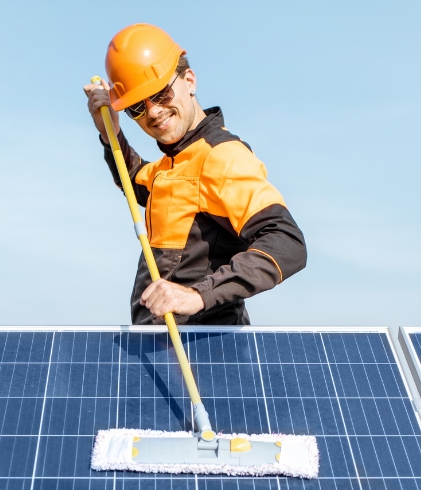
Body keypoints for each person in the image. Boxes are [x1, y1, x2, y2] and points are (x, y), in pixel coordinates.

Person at [83, 24, 307, 326]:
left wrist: (197, 296)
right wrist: (111, 133)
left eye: (160, 93)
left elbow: (286, 242)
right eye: (137, 106)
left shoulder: (222, 156)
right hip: (163, 351)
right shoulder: (174, 163)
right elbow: (136, 179)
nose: (152, 112)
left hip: (209, 355)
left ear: (189, 80)